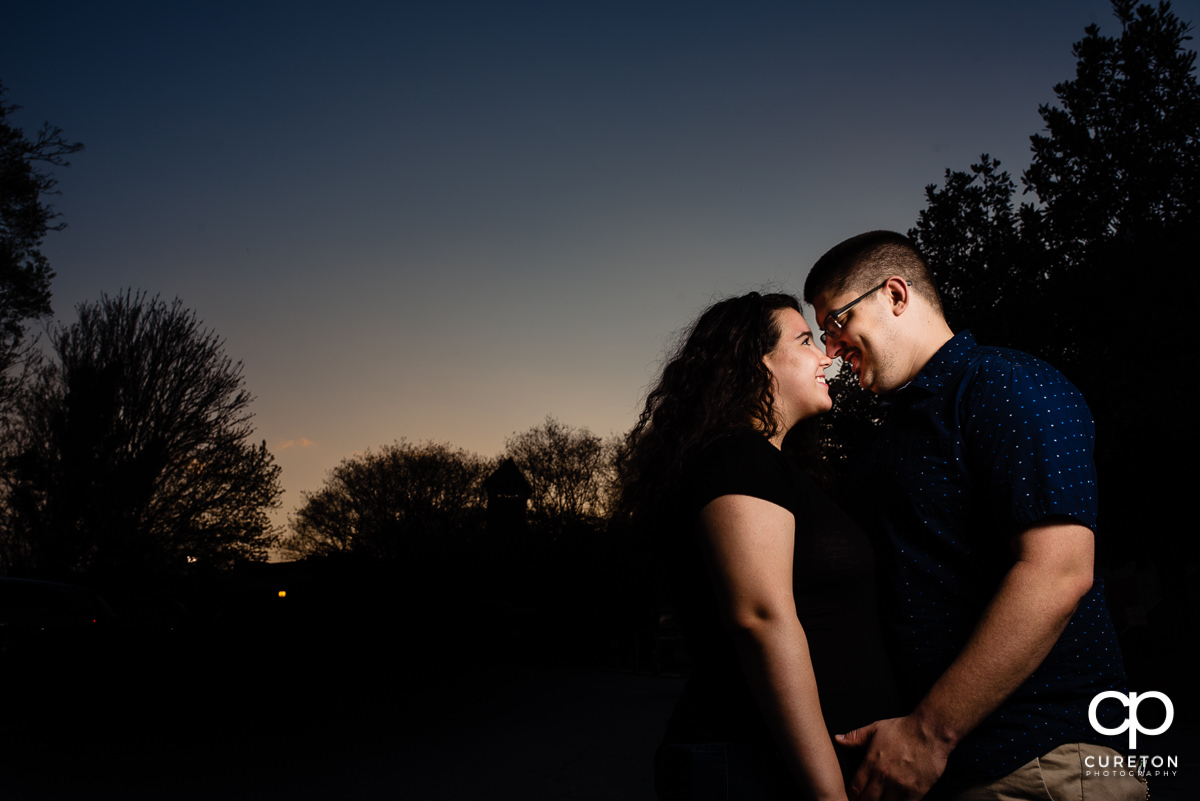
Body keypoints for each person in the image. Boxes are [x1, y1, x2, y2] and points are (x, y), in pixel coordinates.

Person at [803, 231, 1145, 801]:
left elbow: (1059, 572)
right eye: (822, 335)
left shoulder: (1005, 386)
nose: (832, 349)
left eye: (838, 322)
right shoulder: (889, 441)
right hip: (950, 775)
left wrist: (927, 735)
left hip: (1042, 764)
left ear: (894, 295)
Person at [619, 291, 896, 801]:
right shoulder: (735, 458)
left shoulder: (773, 467)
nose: (827, 355)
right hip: (746, 765)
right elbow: (761, 619)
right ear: (756, 361)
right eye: (807, 340)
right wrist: (828, 795)